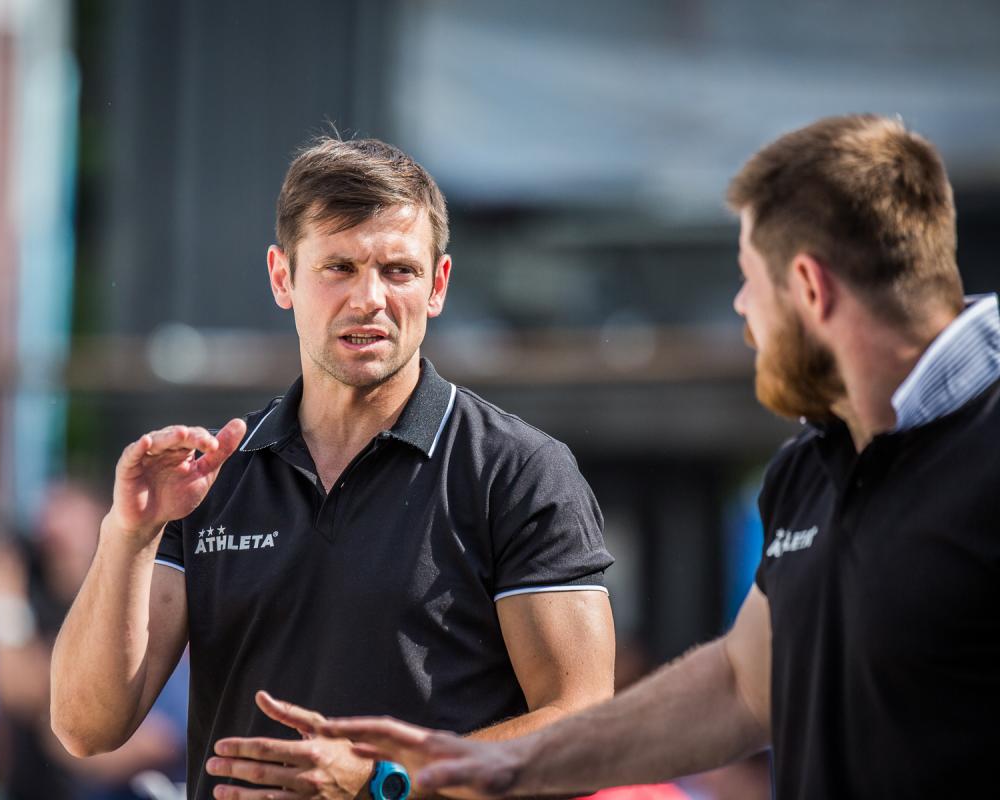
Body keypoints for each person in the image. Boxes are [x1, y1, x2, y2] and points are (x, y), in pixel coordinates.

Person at [316, 114, 1000, 799]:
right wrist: (499, 764)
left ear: (810, 288)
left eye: (747, 281)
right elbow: (741, 683)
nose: (742, 311)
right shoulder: (813, 463)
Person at [50, 137, 616, 800]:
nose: (368, 298)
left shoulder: (517, 471)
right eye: (338, 267)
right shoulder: (211, 477)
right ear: (282, 277)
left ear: (437, 285)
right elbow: (85, 728)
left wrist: (383, 784)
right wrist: (129, 534)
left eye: (398, 270)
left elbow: (582, 732)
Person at [0, 481, 188, 799]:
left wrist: (66, 724)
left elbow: (160, 742)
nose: (54, 537)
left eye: (69, 527)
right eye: (49, 533)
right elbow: (14, 686)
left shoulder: (142, 602)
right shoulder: (37, 604)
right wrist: (3, 603)